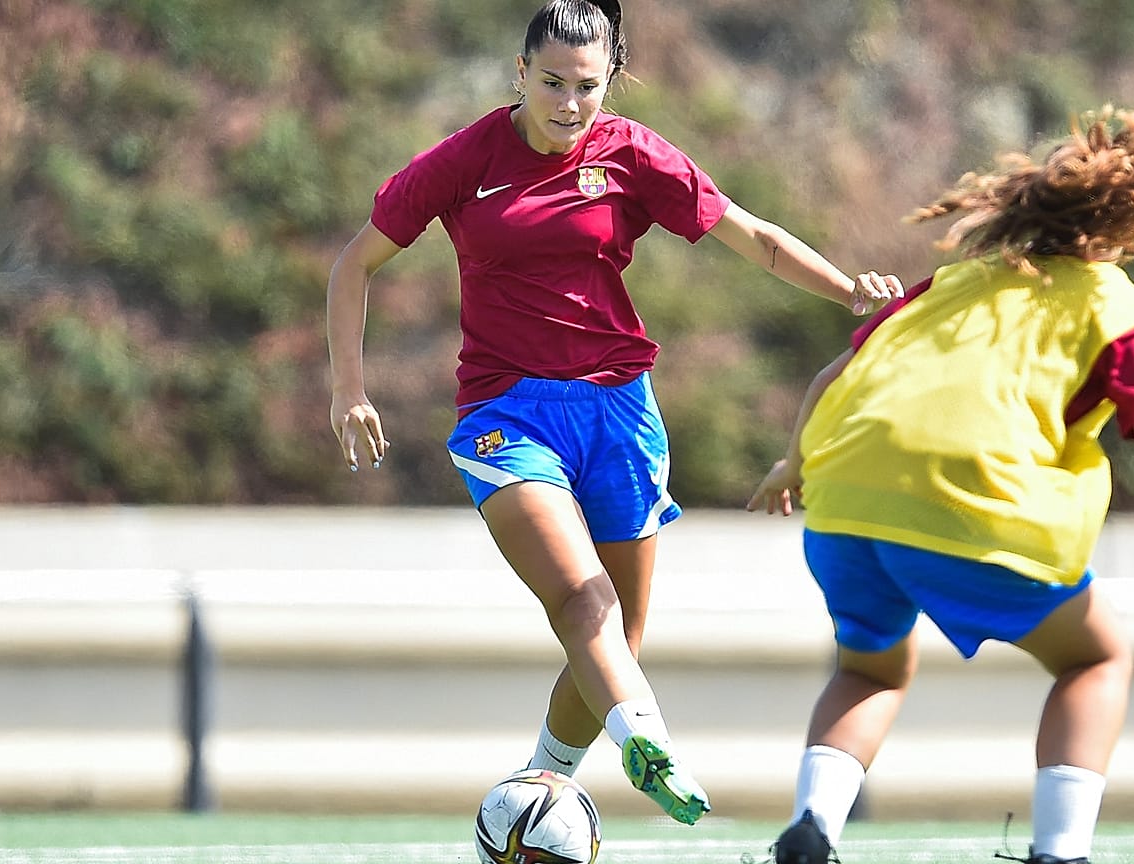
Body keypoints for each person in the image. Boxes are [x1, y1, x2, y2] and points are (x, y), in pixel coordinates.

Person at [325, 0, 900, 827]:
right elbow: (355, 264)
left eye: (587, 87)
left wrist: (850, 291)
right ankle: (649, 743)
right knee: (582, 600)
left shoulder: (632, 154)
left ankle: (538, 784)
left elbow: (755, 237)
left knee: (617, 637)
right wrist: (350, 390)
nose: (569, 104)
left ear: (611, 81)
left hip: (620, 413)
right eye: (551, 82)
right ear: (520, 72)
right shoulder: (465, 160)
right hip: (507, 414)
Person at [747, 106, 1134, 863]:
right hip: (975, 508)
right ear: (1125, 226)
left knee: (869, 669)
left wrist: (791, 464)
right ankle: (1061, 852)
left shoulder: (954, 280)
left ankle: (813, 827)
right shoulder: (1122, 311)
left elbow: (833, 376)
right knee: (1096, 660)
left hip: (844, 504)